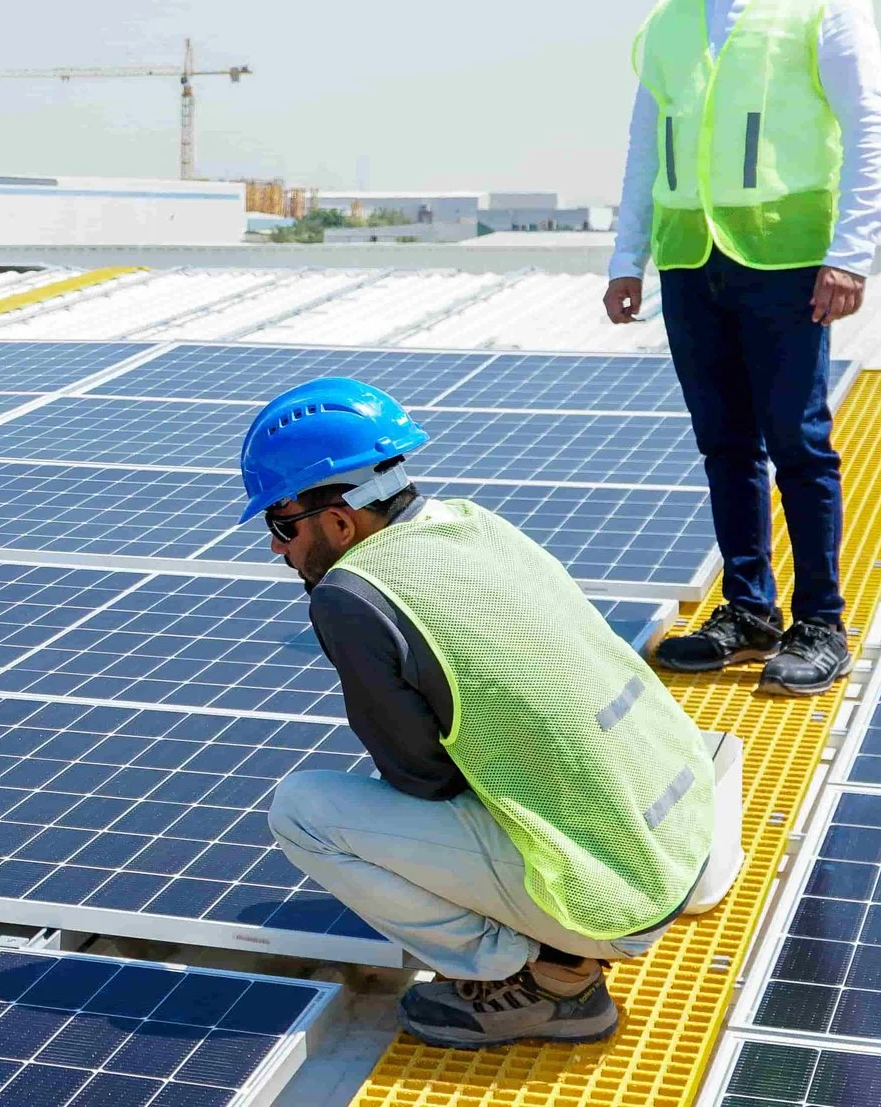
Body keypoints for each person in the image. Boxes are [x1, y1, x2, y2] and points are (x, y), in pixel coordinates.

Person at [249, 379, 718, 1049]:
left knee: (300, 809)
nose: (276, 548)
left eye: (281, 524)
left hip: (615, 898)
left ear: (341, 520)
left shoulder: (351, 596)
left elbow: (424, 779)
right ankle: (564, 938)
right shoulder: (471, 521)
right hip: (685, 837)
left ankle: (544, 980)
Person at [604, 0, 881, 697]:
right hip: (693, 260)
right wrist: (628, 258)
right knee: (725, 443)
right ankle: (748, 606)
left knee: (797, 441)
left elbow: (870, 126)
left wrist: (852, 251)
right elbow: (645, 143)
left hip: (787, 259)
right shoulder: (667, 18)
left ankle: (819, 622)